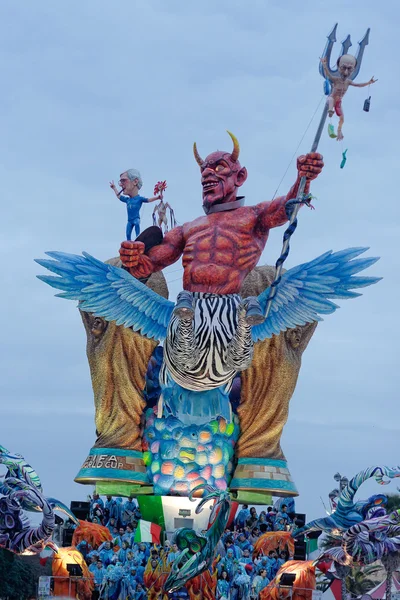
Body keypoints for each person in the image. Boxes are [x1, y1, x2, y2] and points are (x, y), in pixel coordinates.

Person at [119, 134, 323, 392]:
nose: (207, 175)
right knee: (183, 356)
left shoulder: (254, 216)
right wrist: (136, 260)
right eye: (204, 171)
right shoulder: (189, 228)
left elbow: (287, 206)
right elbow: (155, 260)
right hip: (193, 309)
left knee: (238, 358)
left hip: (229, 310)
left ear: (239, 177)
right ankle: (186, 318)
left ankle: (240, 321)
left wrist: (303, 179)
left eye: (218, 168)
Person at [320, 55, 377, 140]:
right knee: (331, 99)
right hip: (331, 99)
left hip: (338, 102)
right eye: (343, 68)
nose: (346, 72)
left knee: (342, 118)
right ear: (339, 67)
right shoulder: (336, 80)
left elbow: (358, 85)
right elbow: (328, 75)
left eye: (350, 69)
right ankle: (330, 111)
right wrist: (324, 65)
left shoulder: (348, 82)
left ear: (353, 69)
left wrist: (368, 83)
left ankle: (339, 131)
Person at [110, 169, 161, 240]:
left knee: (137, 223)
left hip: (136, 219)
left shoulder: (139, 199)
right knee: (128, 233)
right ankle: (128, 243)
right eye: (120, 181)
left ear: (135, 181)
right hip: (129, 220)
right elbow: (119, 196)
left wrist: (157, 197)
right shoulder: (127, 200)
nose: (121, 184)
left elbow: (148, 200)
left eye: (124, 180)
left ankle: (138, 238)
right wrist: (114, 188)